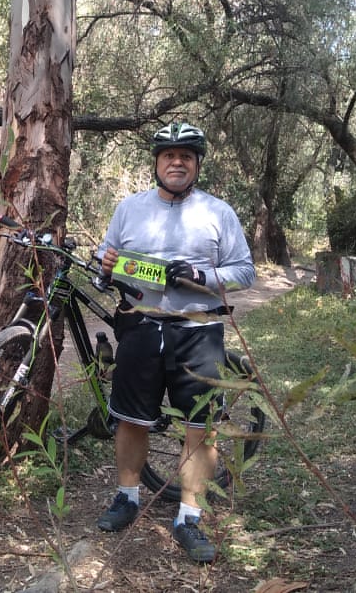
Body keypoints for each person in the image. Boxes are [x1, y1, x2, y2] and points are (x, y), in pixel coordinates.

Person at [95, 121, 256, 563]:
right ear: (157, 163)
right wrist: (105, 267)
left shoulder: (219, 213)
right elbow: (105, 261)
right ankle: (127, 496)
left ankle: (189, 516)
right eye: (169, 155)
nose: (177, 162)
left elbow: (244, 271)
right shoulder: (129, 208)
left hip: (198, 329)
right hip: (141, 326)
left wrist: (201, 276)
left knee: (199, 426)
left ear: (197, 163)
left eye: (186, 155)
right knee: (131, 419)